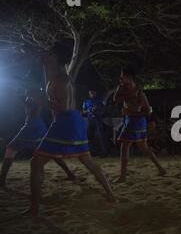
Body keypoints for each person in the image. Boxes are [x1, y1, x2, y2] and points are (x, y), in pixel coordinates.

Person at [24, 46, 115, 216]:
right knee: (87, 161)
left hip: (66, 121)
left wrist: (40, 99)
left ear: (56, 59)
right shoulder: (53, 74)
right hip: (72, 121)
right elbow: (43, 65)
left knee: (36, 163)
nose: (45, 57)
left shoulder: (62, 80)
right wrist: (35, 57)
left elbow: (63, 107)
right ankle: (110, 194)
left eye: (49, 55)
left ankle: (34, 208)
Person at [0, 89, 75, 189]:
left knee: (11, 149)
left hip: (31, 126)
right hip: (39, 126)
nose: (26, 92)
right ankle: (70, 174)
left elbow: (33, 111)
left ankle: (2, 181)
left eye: (28, 91)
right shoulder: (34, 99)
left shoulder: (33, 99)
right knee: (51, 151)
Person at [113, 65, 166, 183]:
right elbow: (115, 99)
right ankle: (161, 169)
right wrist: (129, 97)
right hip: (129, 119)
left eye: (122, 77)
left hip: (135, 121)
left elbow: (147, 110)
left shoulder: (139, 92)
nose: (120, 79)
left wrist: (132, 111)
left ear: (129, 77)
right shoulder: (122, 88)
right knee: (144, 148)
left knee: (125, 146)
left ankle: (122, 176)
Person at [82, 89, 108, 157]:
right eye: (90, 92)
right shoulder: (86, 101)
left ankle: (104, 152)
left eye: (93, 92)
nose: (91, 94)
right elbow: (83, 111)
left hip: (98, 119)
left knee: (100, 136)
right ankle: (93, 152)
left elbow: (104, 110)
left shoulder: (100, 100)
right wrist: (89, 110)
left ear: (95, 92)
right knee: (88, 137)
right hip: (90, 120)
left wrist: (97, 110)